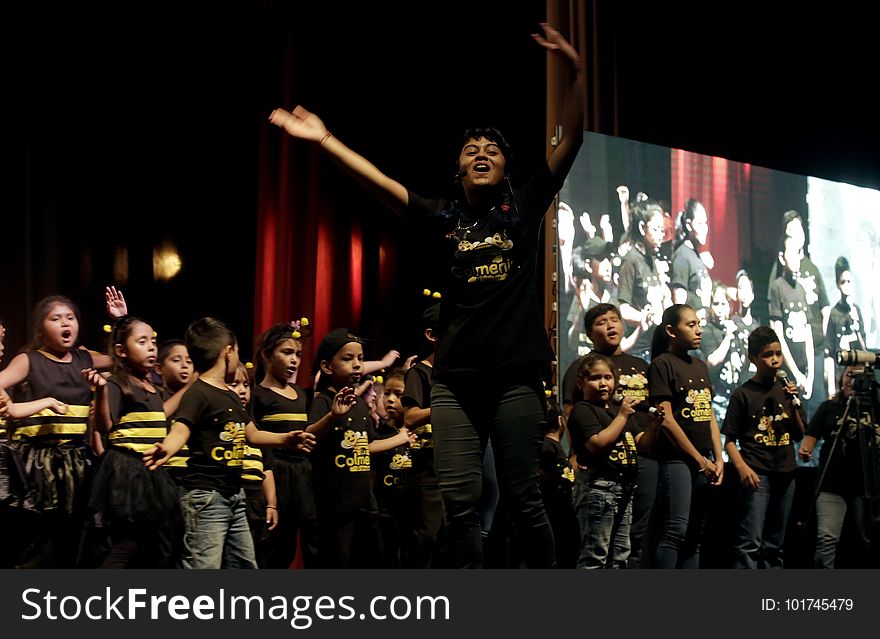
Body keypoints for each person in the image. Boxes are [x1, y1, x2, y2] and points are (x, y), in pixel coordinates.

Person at [270, 23, 584, 568]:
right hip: (456, 385)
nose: (481, 154)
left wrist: (578, 74)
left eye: (492, 150)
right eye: (470, 149)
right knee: (460, 507)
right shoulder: (445, 217)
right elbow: (379, 182)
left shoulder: (525, 204)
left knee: (522, 499)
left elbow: (572, 141)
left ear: (506, 169)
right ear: (459, 168)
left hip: (515, 380)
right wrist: (324, 140)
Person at [143, 317, 314, 569]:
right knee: (204, 565)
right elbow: (182, 428)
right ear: (229, 352)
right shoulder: (198, 392)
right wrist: (167, 447)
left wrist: (284, 439)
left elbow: (252, 434)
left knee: (244, 563)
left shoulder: (229, 395)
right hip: (206, 495)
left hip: (234, 494)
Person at [0, 295, 112, 567]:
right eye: (56, 318)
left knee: (73, 541)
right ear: (41, 328)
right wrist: (23, 407)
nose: (65, 323)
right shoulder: (30, 360)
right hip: (40, 463)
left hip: (76, 461)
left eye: (70, 318)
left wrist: (118, 321)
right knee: (40, 542)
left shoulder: (84, 359)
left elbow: (120, 360)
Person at [559, 303, 655, 566]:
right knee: (595, 549)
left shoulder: (636, 371)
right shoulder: (582, 381)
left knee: (625, 547)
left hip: (630, 471)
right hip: (598, 477)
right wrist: (575, 453)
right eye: (602, 322)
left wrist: (654, 426)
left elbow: (642, 431)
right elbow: (578, 423)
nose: (611, 325)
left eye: (614, 319)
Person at [84, 315, 182, 568]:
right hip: (127, 472)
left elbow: (160, 416)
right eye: (142, 342)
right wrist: (102, 391)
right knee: (125, 546)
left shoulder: (153, 388)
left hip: (151, 473)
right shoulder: (117, 383)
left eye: (153, 341)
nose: (151, 347)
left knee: (152, 547)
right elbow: (105, 426)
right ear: (121, 351)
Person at [648, 304, 724, 568]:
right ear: (671, 330)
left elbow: (709, 413)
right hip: (676, 459)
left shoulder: (700, 365)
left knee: (695, 536)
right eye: (690, 325)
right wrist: (700, 461)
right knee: (675, 531)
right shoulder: (661, 364)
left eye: (698, 323)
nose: (699, 330)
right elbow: (666, 419)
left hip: (703, 460)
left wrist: (718, 457)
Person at [568, 353, 661, 568]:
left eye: (608, 377)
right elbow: (597, 443)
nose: (603, 383)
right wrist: (622, 416)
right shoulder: (583, 410)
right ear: (581, 383)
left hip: (624, 488)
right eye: (595, 378)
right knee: (595, 554)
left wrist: (654, 426)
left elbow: (641, 443)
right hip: (600, 488)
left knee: (620, 555)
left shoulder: (615, 411)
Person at [723, 326, 805, 568]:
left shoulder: (786, 389)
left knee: (775, 545)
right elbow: (729, 440)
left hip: (786, 473)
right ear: (753, 358)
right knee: (750, 543)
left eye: (778, 353)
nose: (775, 360)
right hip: (758, 474)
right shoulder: (743, 394)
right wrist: (742, 468)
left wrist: (792, 406)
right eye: (768, 354)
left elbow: (799, 434)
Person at [307, 328, 387, 568]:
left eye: (360, 359)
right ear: (327, 366)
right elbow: (308, 436)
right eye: (347, 358)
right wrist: (332, 416)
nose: (356, 365)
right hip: (335, 505)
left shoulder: (360, 406)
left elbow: (369, 445)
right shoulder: (323, 401)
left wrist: (404, 437)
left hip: (364, 502)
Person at [251, 322, 319, 568]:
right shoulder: (257, 395)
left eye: (298, 354)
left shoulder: (300, 394)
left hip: (302, 471)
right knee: (277, 543)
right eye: (287, 353)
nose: (294, 361)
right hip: (276, 471)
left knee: (308, 536)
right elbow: (255, 438)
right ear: (267, 355)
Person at [799, 365, 880, 568]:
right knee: (826, 539)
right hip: (832, 485)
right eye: (849, 374)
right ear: (841, 378)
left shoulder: (876, 409)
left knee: (864, 540)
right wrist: (805, 450)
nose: (853, 380)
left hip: (865, 486)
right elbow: (810, 437)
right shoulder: (829, 407)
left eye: (859, 376)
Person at [400, 302, 446, 567]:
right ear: (432, 335)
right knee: (426, 536)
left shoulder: (455, 373)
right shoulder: (420, 373)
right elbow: (411, 417)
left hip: (454, 466)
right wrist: (445, 405)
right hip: (428, 470)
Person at [228, 362, 278, 569]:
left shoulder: (256, 429)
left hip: (256, 502)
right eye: (234, 384)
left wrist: (272, 504)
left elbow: (267, 469)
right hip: (234, 498)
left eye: (245, 385)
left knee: (255, 556)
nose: (241, 390)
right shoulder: (223, 426)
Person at [617, 199, 671, 361]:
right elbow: (624, 309)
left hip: (656, 347)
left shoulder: (652, 260)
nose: (661, 236)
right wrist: (645, 318)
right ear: (642, 228)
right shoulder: (631, 260)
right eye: (657, 229)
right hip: (638, 352)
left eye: (663, 231)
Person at [769, 231, 814, 410]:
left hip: (804, 373)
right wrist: (795, 375)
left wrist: (809, 376)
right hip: (787, 373)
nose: (796, 258)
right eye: (792, 252)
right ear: (782, 257)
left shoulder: (802, 289)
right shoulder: (777, 287)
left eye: (798, 252)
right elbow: (778, 336)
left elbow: (808, 333)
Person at [538, 398, 580, 569]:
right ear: (560, 421)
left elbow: (566, 473)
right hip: (555, 517)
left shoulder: (555, 448)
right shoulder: (548, 447)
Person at [701, 282, 747, 422]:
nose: (719, 309)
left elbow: (743, 365)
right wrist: (727, 338)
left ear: (729, 306)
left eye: (723, 304)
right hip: (717, 399)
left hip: (735, 397)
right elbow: (712, 361)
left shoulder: (734, 328)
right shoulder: (707, 330)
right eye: (716, 304)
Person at [825, 256, 867, 392]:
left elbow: (864, 349)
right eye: (843, 282)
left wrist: (856, 325)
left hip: (858, 373)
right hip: (841, 376)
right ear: (838, 284)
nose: (847, 285)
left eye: (849, 281)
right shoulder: (834, 313)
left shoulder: (856, 310)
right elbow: (830, 353)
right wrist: (831, 387)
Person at [670, 199, 712, 318]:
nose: (705, 228)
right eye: (700, 224)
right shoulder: (682, 256)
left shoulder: (697, 255)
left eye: (706, 223)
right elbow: (679, 308)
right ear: (689, 225)